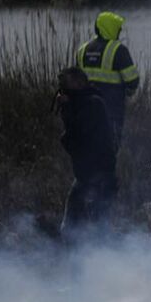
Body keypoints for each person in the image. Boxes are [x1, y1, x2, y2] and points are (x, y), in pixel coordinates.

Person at [56, 66, 117, 232]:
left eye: (68, 84)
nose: (64, 90)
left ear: (80, 83)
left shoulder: (93, 103)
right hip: (84, 177)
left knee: (98, 227)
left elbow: (79, 134)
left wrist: (67, 109)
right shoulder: (80, 104)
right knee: (70, 228)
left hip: (99, 176)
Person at [71, 11, 140, 140]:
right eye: (118, 29)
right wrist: (129, 92)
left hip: (85, 109)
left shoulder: (82, 50)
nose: (119, 32)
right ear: (111, 28)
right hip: (112, 108)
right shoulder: (118, 50)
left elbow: (74, 80)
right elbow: (132, 81)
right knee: (110, 144)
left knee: (87, 144)